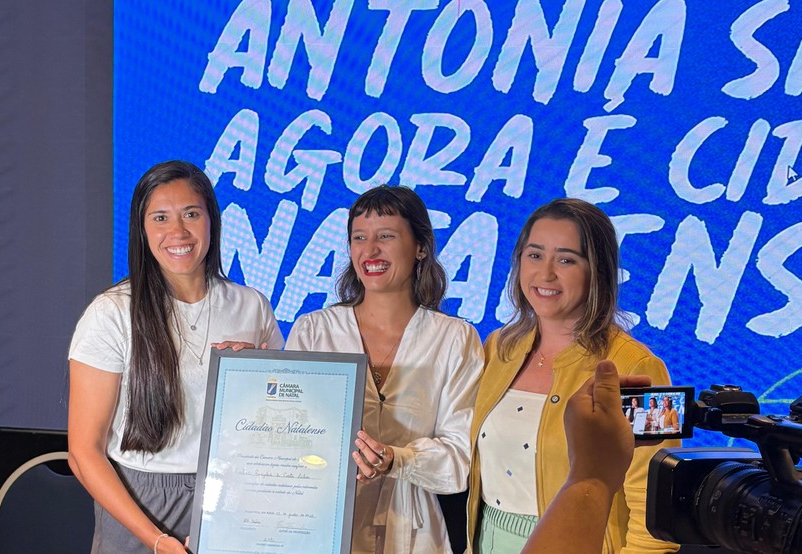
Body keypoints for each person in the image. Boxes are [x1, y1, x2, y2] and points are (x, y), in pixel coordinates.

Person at [67, 161, 284, 553]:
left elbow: (280, 420)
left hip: (232, 498)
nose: (178, 232)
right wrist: (156, 539)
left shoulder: (252, 306)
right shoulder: (112, 313)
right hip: (138, 502)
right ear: (142, 229)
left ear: (211, 221)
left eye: (191, 214)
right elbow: (83, 454)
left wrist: (261, 371)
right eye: (161, 218)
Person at [466, 198, 679, 553]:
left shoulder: (637, 367)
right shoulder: (499, 347)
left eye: (566, 260)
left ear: (597, 270)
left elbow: (653, 518)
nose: (545, 273)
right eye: (534, 255)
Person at [286, 185, 484, 553]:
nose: (370, 250)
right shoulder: (313, 331)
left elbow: (460, 459)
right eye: (359, 237)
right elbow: (287, 438)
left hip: (418, 533)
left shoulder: (456, 339)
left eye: (386, 236)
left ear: (420, 247)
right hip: (323, 527)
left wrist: (397, 459)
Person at [522, 362, 654, 554]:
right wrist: (593, 478)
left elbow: (650, 522)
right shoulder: (499, 346)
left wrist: (592, 479)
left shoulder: (637, 361)